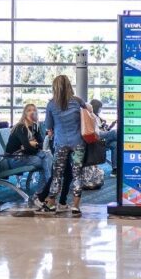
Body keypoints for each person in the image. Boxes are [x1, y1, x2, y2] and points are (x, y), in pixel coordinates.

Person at [43, 75, 87, 215]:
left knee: (57, 174)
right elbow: (88, 114)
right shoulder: (78, 101)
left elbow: (48, 126)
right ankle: (75, 206)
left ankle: (51, 203)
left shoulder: (51, 104)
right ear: (69, 85)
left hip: (60, 143)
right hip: (78, 143)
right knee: (77, 174)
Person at [5, 104, 53, 203]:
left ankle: (41, 192)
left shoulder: (35, 127)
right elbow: (27, 148)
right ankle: (46, 190)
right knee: (45, 160)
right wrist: (31, 146)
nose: (32, 112)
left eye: (34, 110)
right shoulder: (21, 127)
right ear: (24, 114)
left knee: (47, 157)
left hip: (27, 155)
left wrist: (32, 144)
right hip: (15, 158)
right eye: (29, 110)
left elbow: (42, 144)